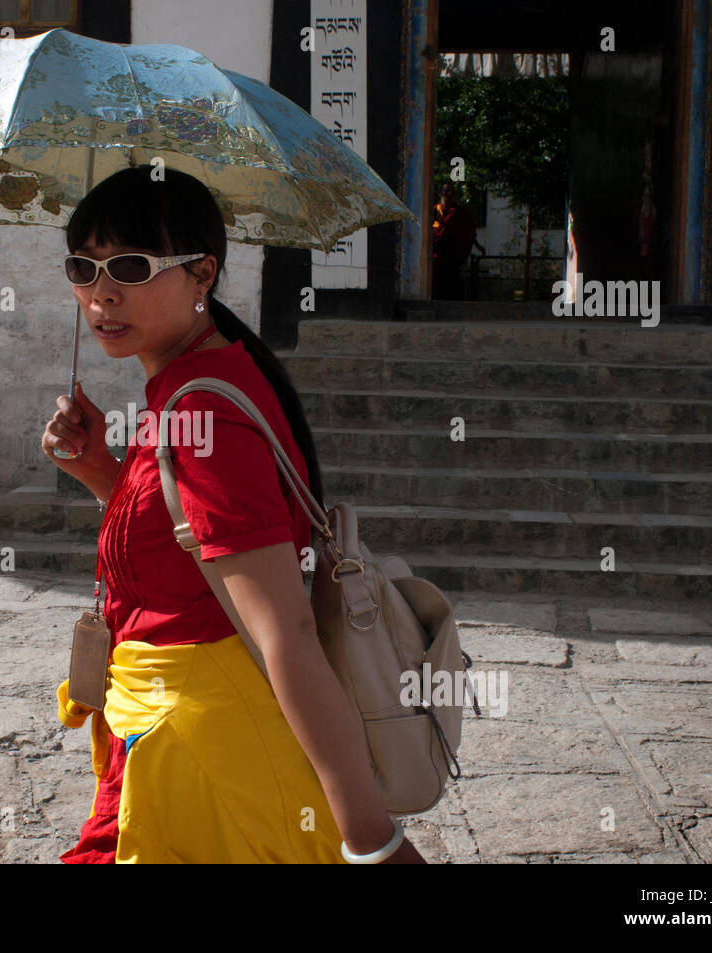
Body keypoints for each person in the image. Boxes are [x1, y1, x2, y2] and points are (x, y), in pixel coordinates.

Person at [40, 166, 426, 864]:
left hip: (213, 757)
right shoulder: (186, 384)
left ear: (201, 275)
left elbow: (289, 634)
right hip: (165, 739)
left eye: (129, 265)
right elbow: (180, 555)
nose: (101, 292)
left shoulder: (203, 410)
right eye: (83, 266)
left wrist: (373, 839)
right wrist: (102, 471)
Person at [431, 182, 476, 299]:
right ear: (440, 193)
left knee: (453, 290)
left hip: (452, 257)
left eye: (451, 191)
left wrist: (476, 245)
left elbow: (468, 232)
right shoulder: (435, 211)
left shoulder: (459, 211)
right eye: (446, 191)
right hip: (436, 256)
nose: (449, 194)